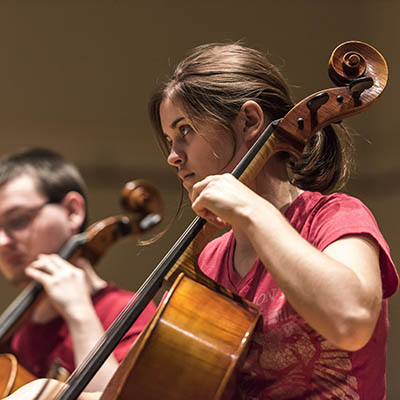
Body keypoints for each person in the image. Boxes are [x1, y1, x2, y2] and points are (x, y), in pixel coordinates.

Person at [146, 42, 399, 399]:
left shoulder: (333, 218)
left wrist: (251, 210)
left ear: (249, 120)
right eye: (170, 139)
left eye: (185, 129)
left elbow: (351, 320)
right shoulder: (206, 263)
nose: (173, 156)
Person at [0, 148, 156, 394]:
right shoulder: (14, 336)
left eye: (18, 220)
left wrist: (79, 313)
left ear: (72, 212)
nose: (2, 242)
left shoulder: (129, 312)